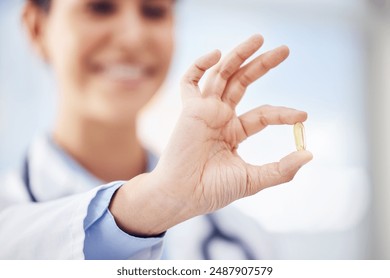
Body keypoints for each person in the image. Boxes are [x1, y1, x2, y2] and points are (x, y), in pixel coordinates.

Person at [0, 0, 312, 259]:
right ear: (36, 28)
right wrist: (141, 212)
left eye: (153, 11)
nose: (133, 37)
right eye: (99, 8)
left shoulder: (248, 244)